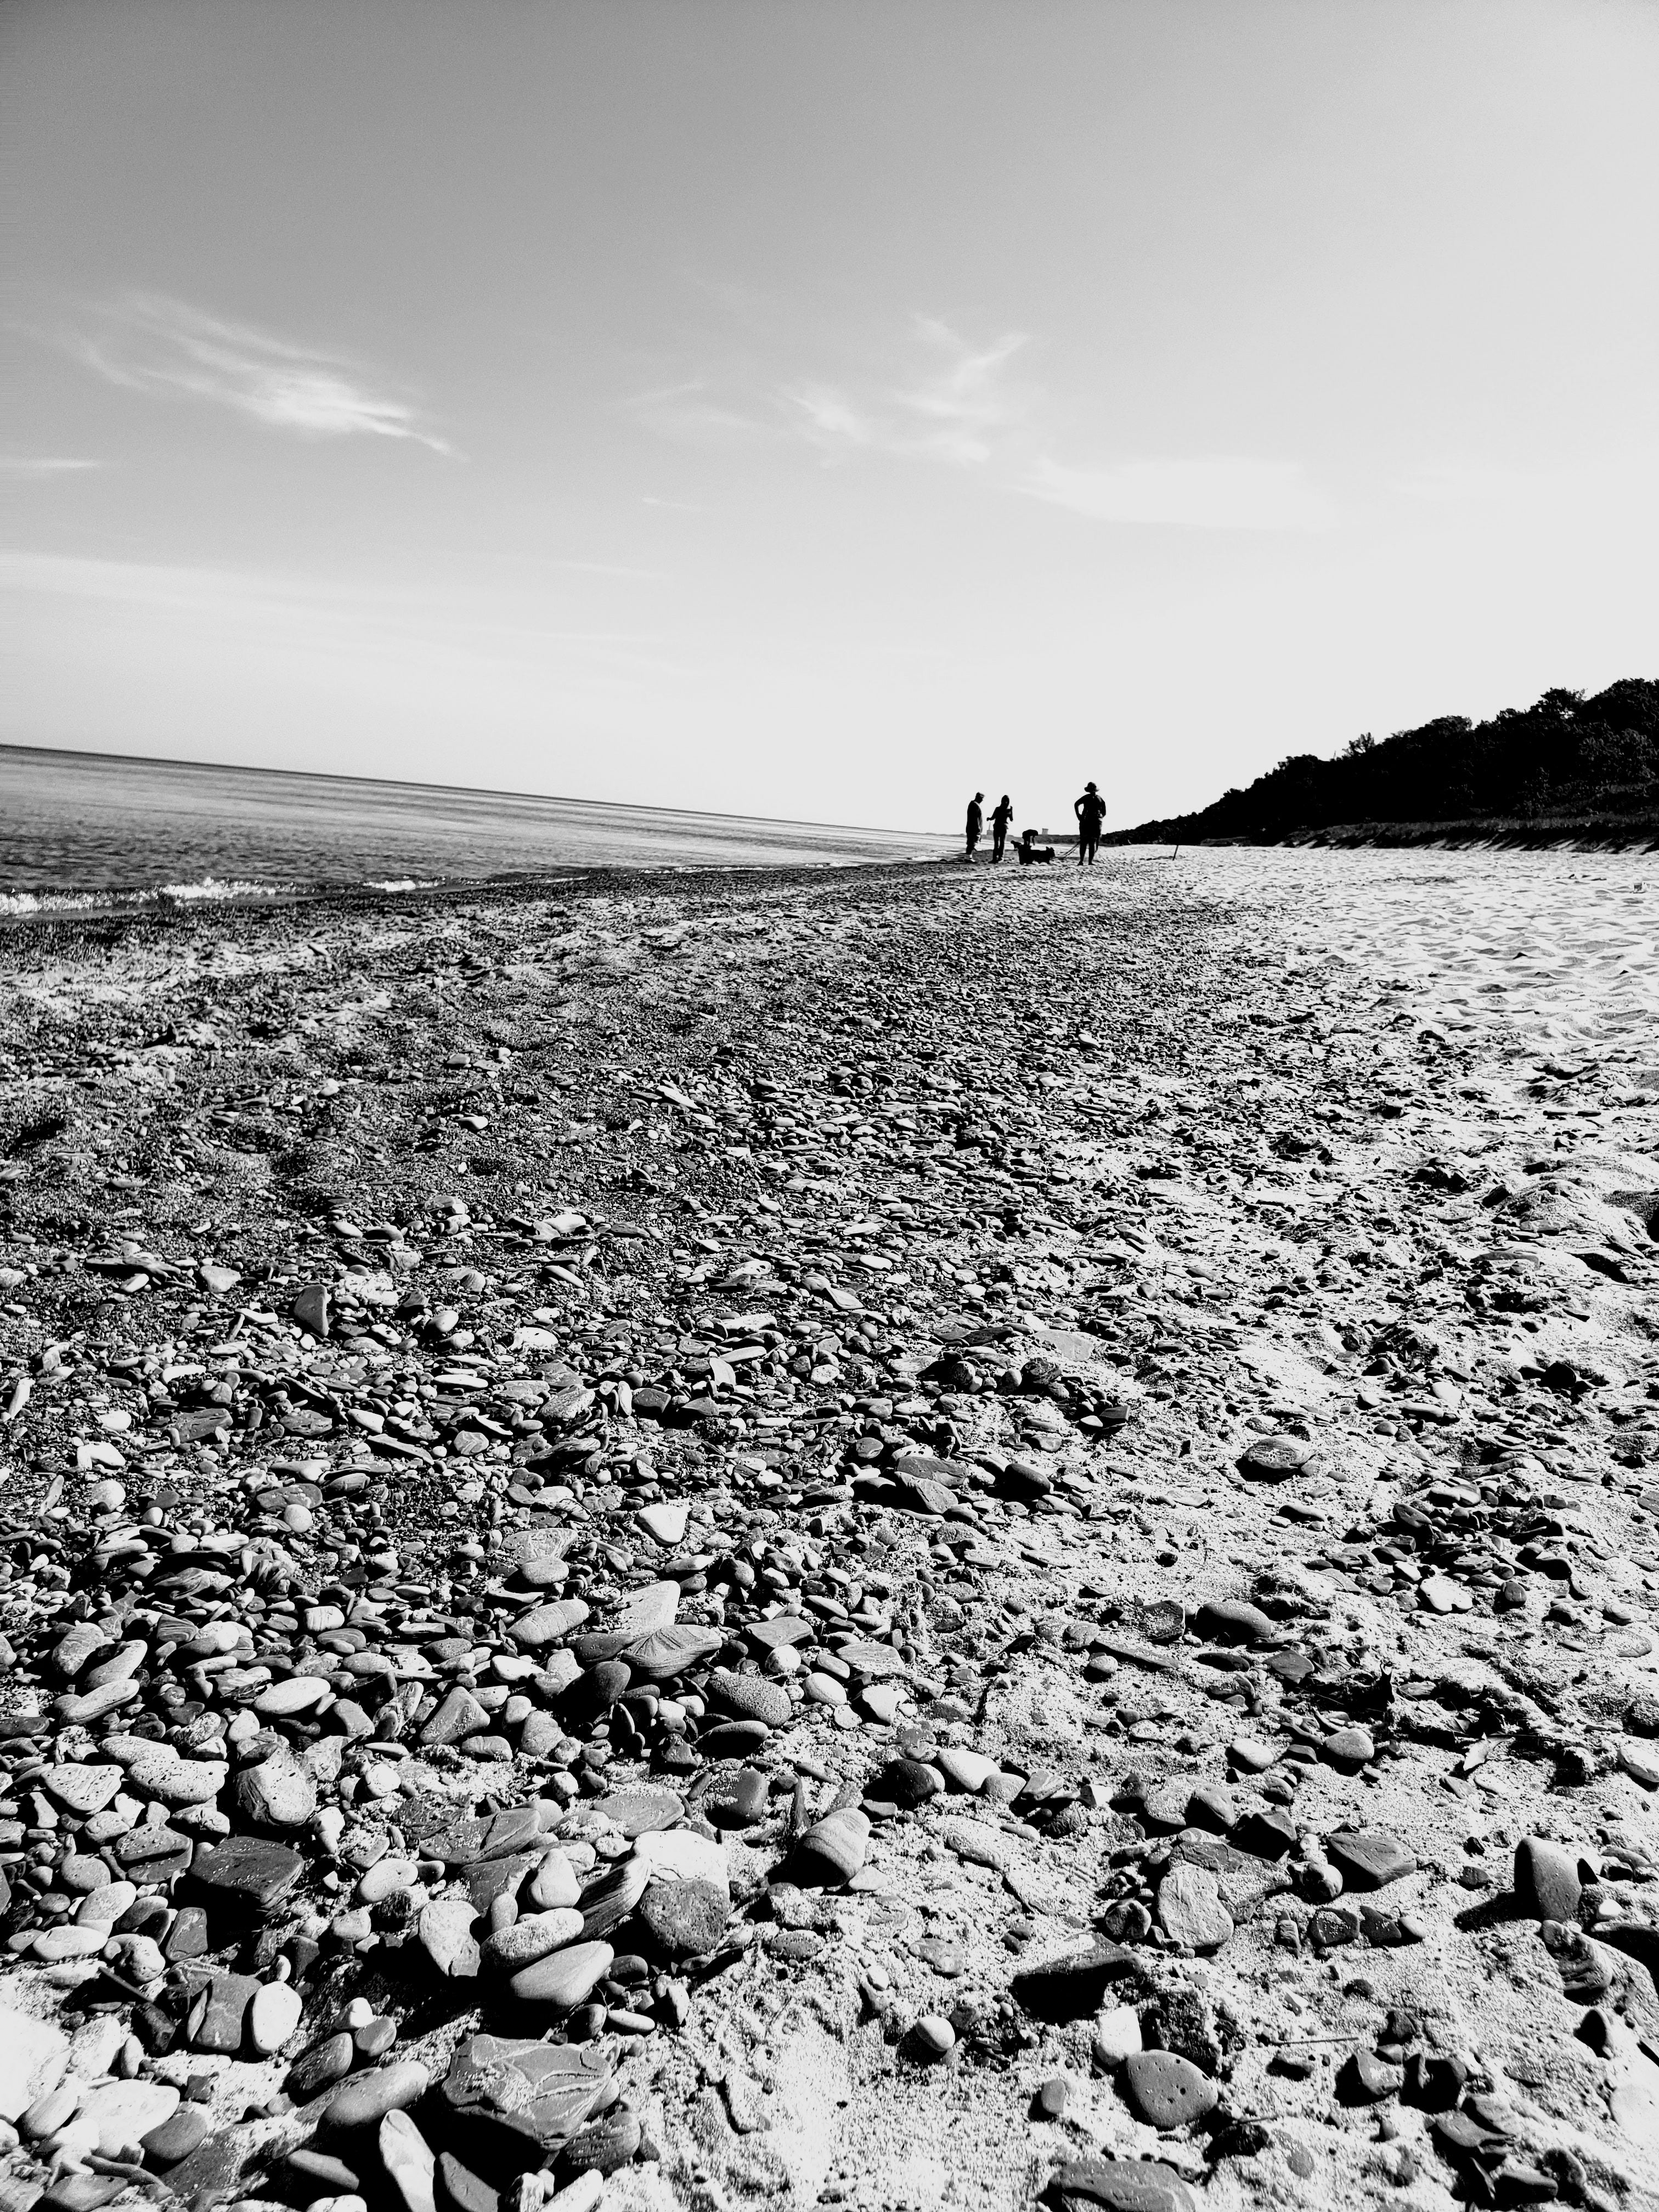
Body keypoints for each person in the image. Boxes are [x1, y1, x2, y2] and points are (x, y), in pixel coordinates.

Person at [1074, 780, 1105, 865]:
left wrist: (1079, 816)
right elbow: (1076, 804)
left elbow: (1104, 811)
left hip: (1091, 822)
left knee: (1091, 842)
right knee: (1087, 842)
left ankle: (1087, 861)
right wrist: (1079, 816)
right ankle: (1083, 861)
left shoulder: (1098, 798)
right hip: (1088, 822)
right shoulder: (1094, 798)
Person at [990, 793, 1013, 863]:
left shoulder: (1000, 809)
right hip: (1001, 827)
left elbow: (1011, 819)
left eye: (1006, 801)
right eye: (1005, 801)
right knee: (999, 843)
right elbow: (1012, 819)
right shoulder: (1002, 809)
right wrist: (1011, 811)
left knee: (1000, 843)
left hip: (999, 827)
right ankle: (998, 858)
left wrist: (1011, 811)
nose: (1005, 802)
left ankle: (998, 858)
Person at [964, 791, 984, 861]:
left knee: (972, 843)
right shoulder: (975, 805)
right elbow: (975, 818)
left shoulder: (974, 804)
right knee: (971, 843)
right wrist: (978, 828)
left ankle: (969, 857)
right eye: (982, 798)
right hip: (973, 828)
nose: (982, 800)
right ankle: (968, 857)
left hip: (972, 827)